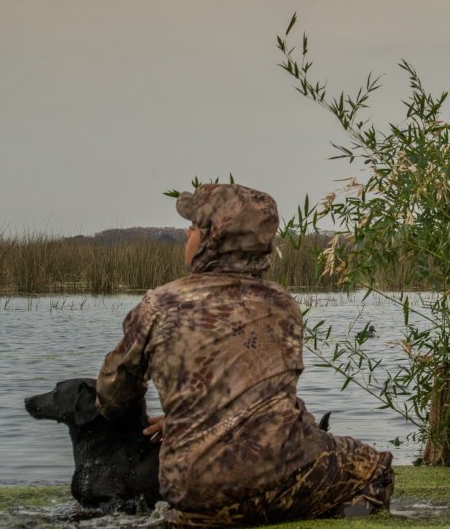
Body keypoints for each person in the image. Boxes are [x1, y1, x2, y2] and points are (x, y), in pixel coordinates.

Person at [95, 184, 393, 527]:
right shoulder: (283, 305)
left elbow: (111, 396)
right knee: (376, 470)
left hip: (196, 489)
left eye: (193, 227)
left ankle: (191, 520)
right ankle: (340, 518)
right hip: (284, 476)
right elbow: (265, 395)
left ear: (211, 238)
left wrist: (187, 416)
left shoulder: (159, 306)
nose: (186, 233)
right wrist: (196, 412)